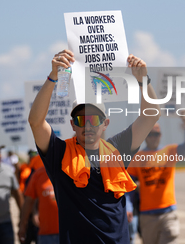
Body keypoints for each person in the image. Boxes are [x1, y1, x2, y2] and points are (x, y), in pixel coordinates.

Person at [28, 49, 160, 243]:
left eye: (94, 118)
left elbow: (151, 115)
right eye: (81, 119)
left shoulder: (117, 149)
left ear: (105, 123)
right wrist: (53, 77)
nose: (88, 125)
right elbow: (36, 122)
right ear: (72, 124)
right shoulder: (60, 153)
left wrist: (143, 80)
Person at [127, 116, 185, 244]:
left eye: (156, 134)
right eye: (150, 134)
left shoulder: (169, 151)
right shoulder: (137, 158)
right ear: (145, 136)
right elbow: (128, 187)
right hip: (147, 215)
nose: (153, 137)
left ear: (160, 135)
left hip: (168, 212)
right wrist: (128, 207)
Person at [19, 166, 59, 244]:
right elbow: (29, 200)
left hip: (70, 233)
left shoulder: (73, 171)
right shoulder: (38, 174)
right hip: (45, 234)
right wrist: (23, 225)